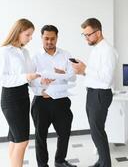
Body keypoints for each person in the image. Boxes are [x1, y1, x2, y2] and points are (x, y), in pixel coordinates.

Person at [0, 18, 40, 167]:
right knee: (22, 141)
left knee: (15, 139)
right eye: (28, 34)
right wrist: (26, 77)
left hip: (23, 97)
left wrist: (41, 81)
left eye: (31, 35)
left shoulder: (24, 52)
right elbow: (1, 79)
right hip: (10, 99)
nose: (30, 38)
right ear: (18, 32)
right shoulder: (4, 51)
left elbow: (30, 75)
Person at [71, 18, 117, 167]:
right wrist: (82, 72)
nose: (86, 38)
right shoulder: (97, 49)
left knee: (97, 132)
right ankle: (101, 161)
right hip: (92, 93)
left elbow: (106, 78)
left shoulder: (108, 50)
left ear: (98, 32)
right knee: (95, 131)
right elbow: (96, 75)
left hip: (100, 95)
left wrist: (85, 69)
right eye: (84, 35)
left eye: (88, 34)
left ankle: (105, 164)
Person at [30, 25, 77, 167]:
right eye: (46, 38)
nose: (49, 41)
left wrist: (63, 73)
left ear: (57, 38)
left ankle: (60, 161)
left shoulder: (66, 55)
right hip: (41, 102)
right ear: (41, 38)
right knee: (40, 136)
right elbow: (30, 80)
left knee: (64, 133)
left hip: (61, 101)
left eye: (52, 38)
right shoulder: (35, 57)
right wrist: (41, 84)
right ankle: (42, 165)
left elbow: (73, 78)